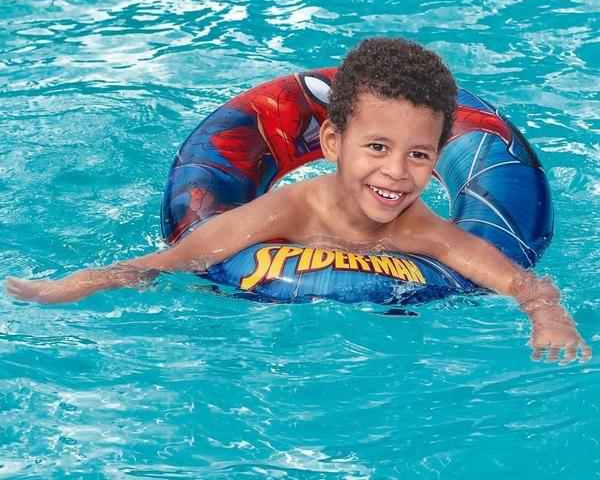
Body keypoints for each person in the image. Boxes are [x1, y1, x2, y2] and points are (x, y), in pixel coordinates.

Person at [5, 38, 591, 365]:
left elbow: (522, 283)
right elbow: (166, 263)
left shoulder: (428, 234)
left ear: (440, 158)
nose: (395, 172)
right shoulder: (288, 212)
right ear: (331, 142)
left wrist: (550, 317)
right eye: (378, 147)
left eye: (418, 155)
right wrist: (68, 288)